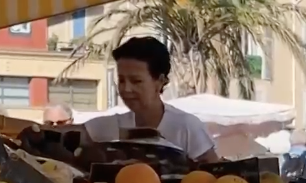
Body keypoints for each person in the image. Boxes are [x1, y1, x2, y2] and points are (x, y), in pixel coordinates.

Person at [80, 37, 218, 162]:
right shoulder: (112, 125)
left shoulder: (186, 126)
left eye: (136, 81)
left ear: (160, 81)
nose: (126, 89)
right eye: (121, 80)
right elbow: (68, 133)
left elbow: (213, 173)